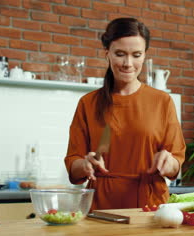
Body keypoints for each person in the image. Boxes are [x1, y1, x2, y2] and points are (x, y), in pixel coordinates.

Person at [64, 17, 186, 210]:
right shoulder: (88, 103)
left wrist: (167, 162)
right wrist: (85, 164)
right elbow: (73, 166)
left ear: (145, 55)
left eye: (136, 55)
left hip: (150, 206)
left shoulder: (162, 101)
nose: (128, 63)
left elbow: (176, 165)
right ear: (107, 54)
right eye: (120, 54)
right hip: (101, 207)